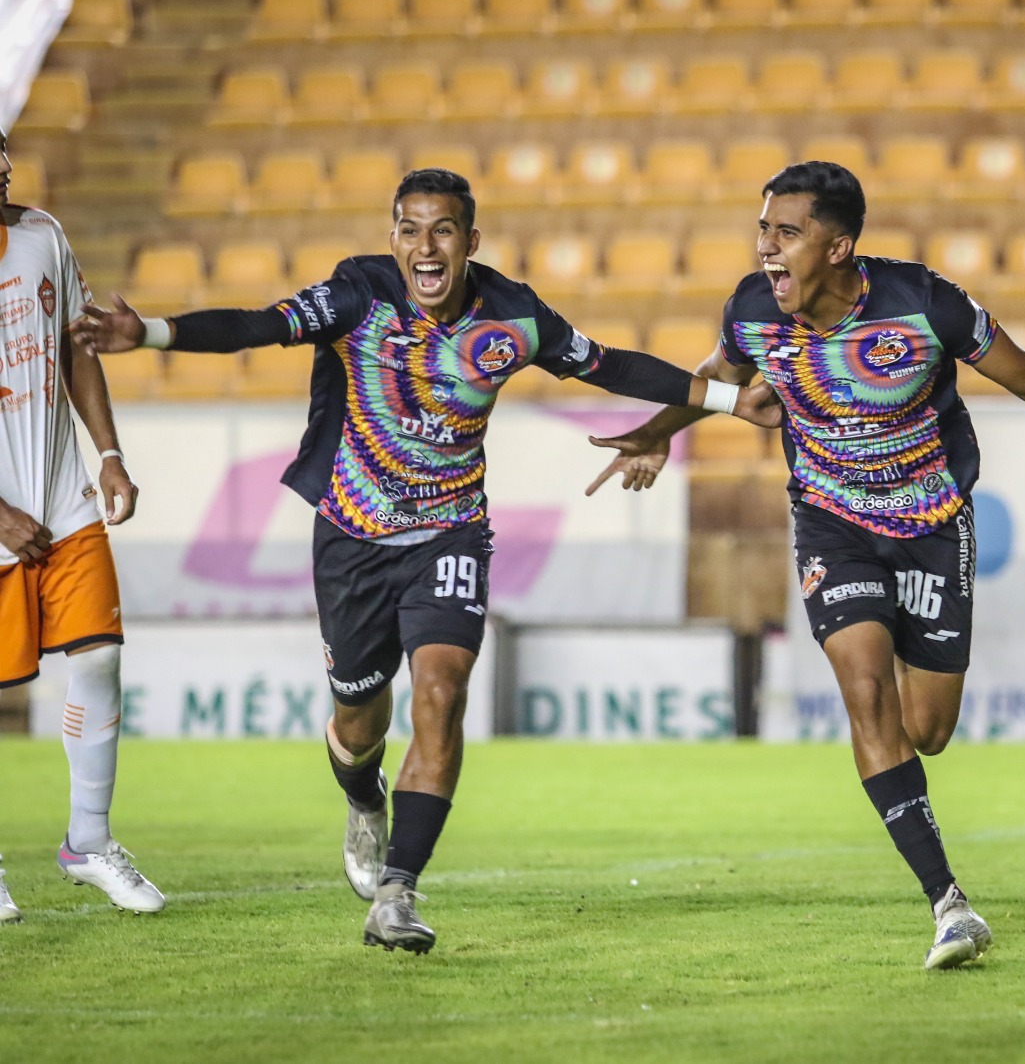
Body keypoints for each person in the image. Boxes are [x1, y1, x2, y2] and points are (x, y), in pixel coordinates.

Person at [74, 168, 777, 952]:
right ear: (393, 240)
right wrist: (154, 334)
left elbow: (606, 364)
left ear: (470, 243)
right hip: (353, 539)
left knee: (441, 693)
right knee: (357, 718)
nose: (424, 245)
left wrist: (724, 401)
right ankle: (364, 800)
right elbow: (258, 325)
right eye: (409, 229)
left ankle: (398, 894)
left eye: (442, 230)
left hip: (451, 533)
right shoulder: (359, 296)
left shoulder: (513, 316)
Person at [587, 161, 1025, 969]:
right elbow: (720, 378)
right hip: (831, 521)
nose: (767, 249)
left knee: (926, 728)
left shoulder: (924, 304)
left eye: (786, 233)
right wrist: (658, 431)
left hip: (931, 523)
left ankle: (900, 739)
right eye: (763, 231)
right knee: (864, 693)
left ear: (838, 244)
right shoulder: (753, 311)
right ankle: (950, 905)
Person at [0, 129, 165, 920]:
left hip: (64, 501)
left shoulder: (42, 236)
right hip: (0, 519)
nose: (3, 165)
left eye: (2, 149)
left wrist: (108, 454)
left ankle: (88, 842)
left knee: (97, 659)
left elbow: (77, 348)